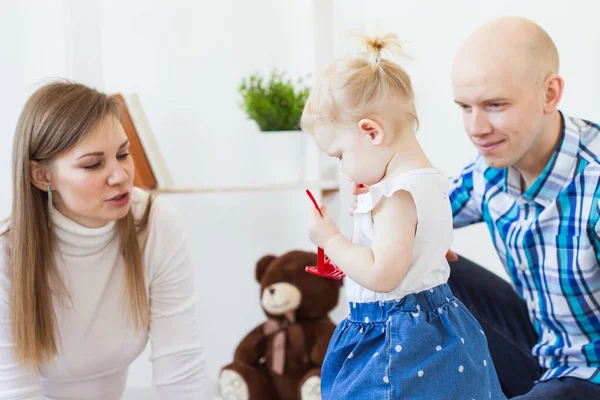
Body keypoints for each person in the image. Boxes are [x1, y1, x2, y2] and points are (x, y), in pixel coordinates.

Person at [352, 16, 600, 400]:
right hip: (544, 347)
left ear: (550, 94)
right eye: (465, 107)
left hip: (593, 373)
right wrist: (414, 231)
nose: (476, 127)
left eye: (495, 105)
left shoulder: (594, 181)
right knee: (425, 263)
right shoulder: (490, 171)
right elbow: (420, 214)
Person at [303, 33, 505, 399]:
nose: (344, 170)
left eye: (340, 155)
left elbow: (382, 275)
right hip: (435, 330)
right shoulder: (427, 182)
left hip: (395, 338)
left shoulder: (396, 197)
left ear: (371, 132)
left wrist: (329, 239)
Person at [0, 81, 210, 399]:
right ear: (42, 176)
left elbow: (181, 371)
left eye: (123, 154)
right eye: (93, 164)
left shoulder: (154, 223)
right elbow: (16, 392)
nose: (120, 175)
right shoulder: (7, 255)